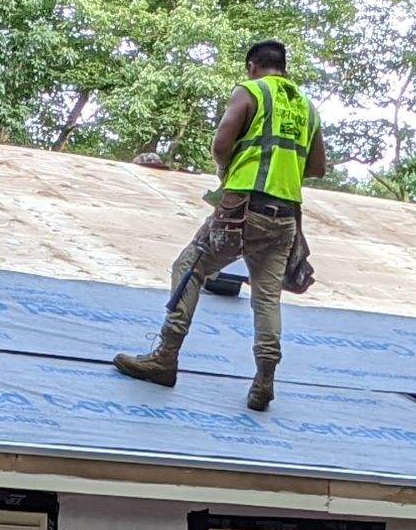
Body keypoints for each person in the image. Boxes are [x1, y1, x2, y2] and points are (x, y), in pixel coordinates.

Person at [114, 39, 327, 411]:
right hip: (285, 218)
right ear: (285, 67)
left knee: (189, 267)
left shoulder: (250, 91)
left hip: (242, 208)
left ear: (252, 66)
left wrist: (229, 169)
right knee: (266, 296)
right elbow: (318, 167)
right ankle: (264, 380)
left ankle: (165, 356)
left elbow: (221, 143)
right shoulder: (307, 107)